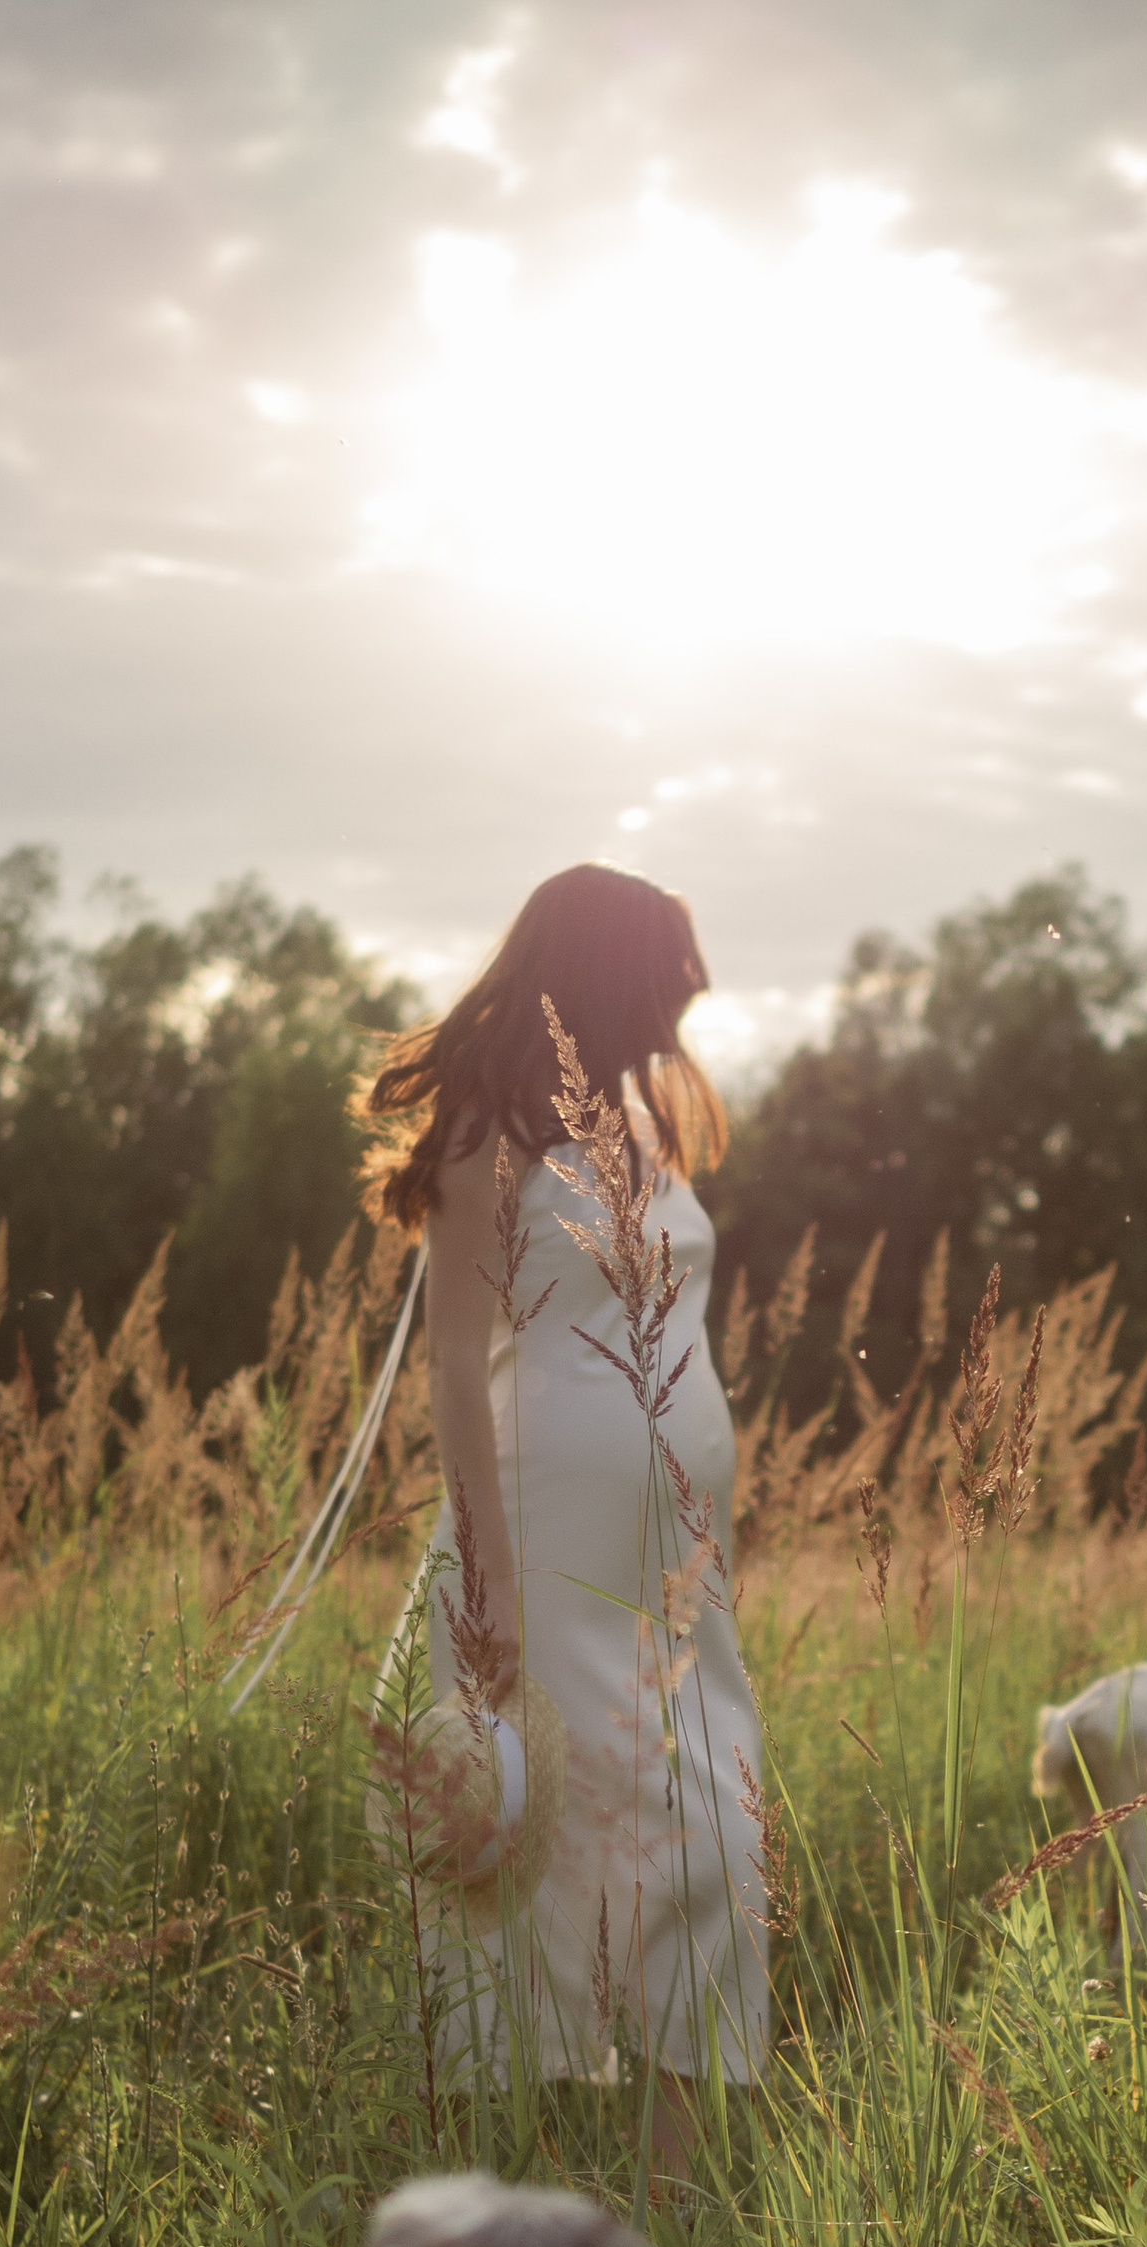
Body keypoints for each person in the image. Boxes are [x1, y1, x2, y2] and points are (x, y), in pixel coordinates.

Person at [358, 862, 770, 2166]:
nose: (692, 995)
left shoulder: (643, 1123)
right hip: (542, 1544)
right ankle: (512, 2173)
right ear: (606, 974)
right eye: (671, 969)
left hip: (668, 1567)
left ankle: (675, 2175)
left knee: (703, 1824)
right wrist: (488, 1574)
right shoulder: (492, 1136)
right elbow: (454, 1368)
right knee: (541, 1843)